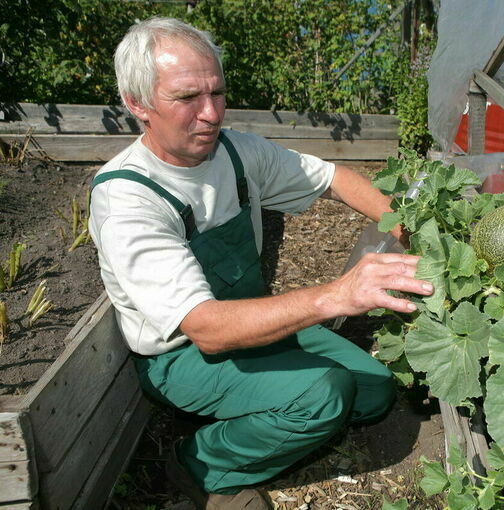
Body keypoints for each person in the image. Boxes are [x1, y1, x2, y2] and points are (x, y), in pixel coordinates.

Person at [88, 16, 433, 510]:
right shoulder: (128, 197)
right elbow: (206, 328)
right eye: (187, 98)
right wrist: (335, 295)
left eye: (218, 93)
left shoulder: (237, 152)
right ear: (137, 103)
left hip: (253, 319)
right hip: (182, 354)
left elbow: (332, 176)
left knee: (374, 392)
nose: (210, 114)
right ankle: (202, 465)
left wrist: (401, 222)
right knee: (323, 394)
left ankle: (265, 409)